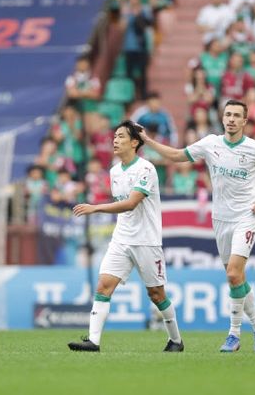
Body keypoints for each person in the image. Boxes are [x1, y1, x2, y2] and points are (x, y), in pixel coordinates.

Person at [139, 99, 255, 353]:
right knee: (237, 278)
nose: (232, 119)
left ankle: (233, 335)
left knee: (233, 274)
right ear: (222, 118)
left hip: (246, 216)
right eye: (228, 114)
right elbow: (176, 155)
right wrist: (147, 141)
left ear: (245, 121)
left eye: (237, 115)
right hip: (220, 219)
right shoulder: (210, 143)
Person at [68, 121, 183, 353]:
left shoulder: (146, 169)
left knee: (156, 294)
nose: (115, 140)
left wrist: (95, 208)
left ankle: (176, 340)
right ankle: (93, 341)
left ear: (134, 142)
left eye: (121, 136)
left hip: (146, 240)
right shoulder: (114, 171)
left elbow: (131, 204)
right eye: (114, 136)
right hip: (121, 239)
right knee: (103, 286)